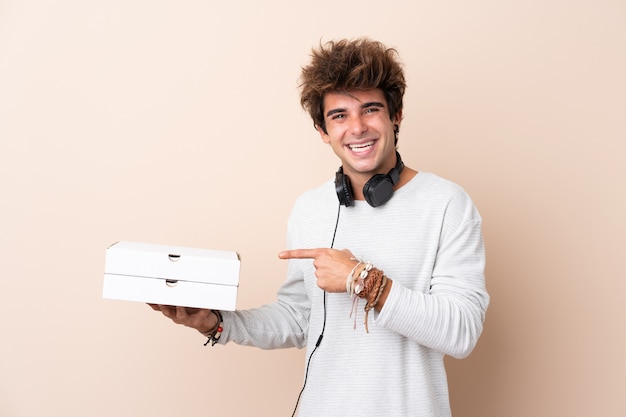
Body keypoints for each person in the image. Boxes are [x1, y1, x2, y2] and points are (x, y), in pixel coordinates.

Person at [150, 38, 489, 417]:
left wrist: (363, 280)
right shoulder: (310, 208)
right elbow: (299, 319)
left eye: (371, 109)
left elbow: (460, 333)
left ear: (396, 115)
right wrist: (216, 323)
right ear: (322, 130)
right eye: (339, 115)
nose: (357, 128)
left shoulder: (447, 203)